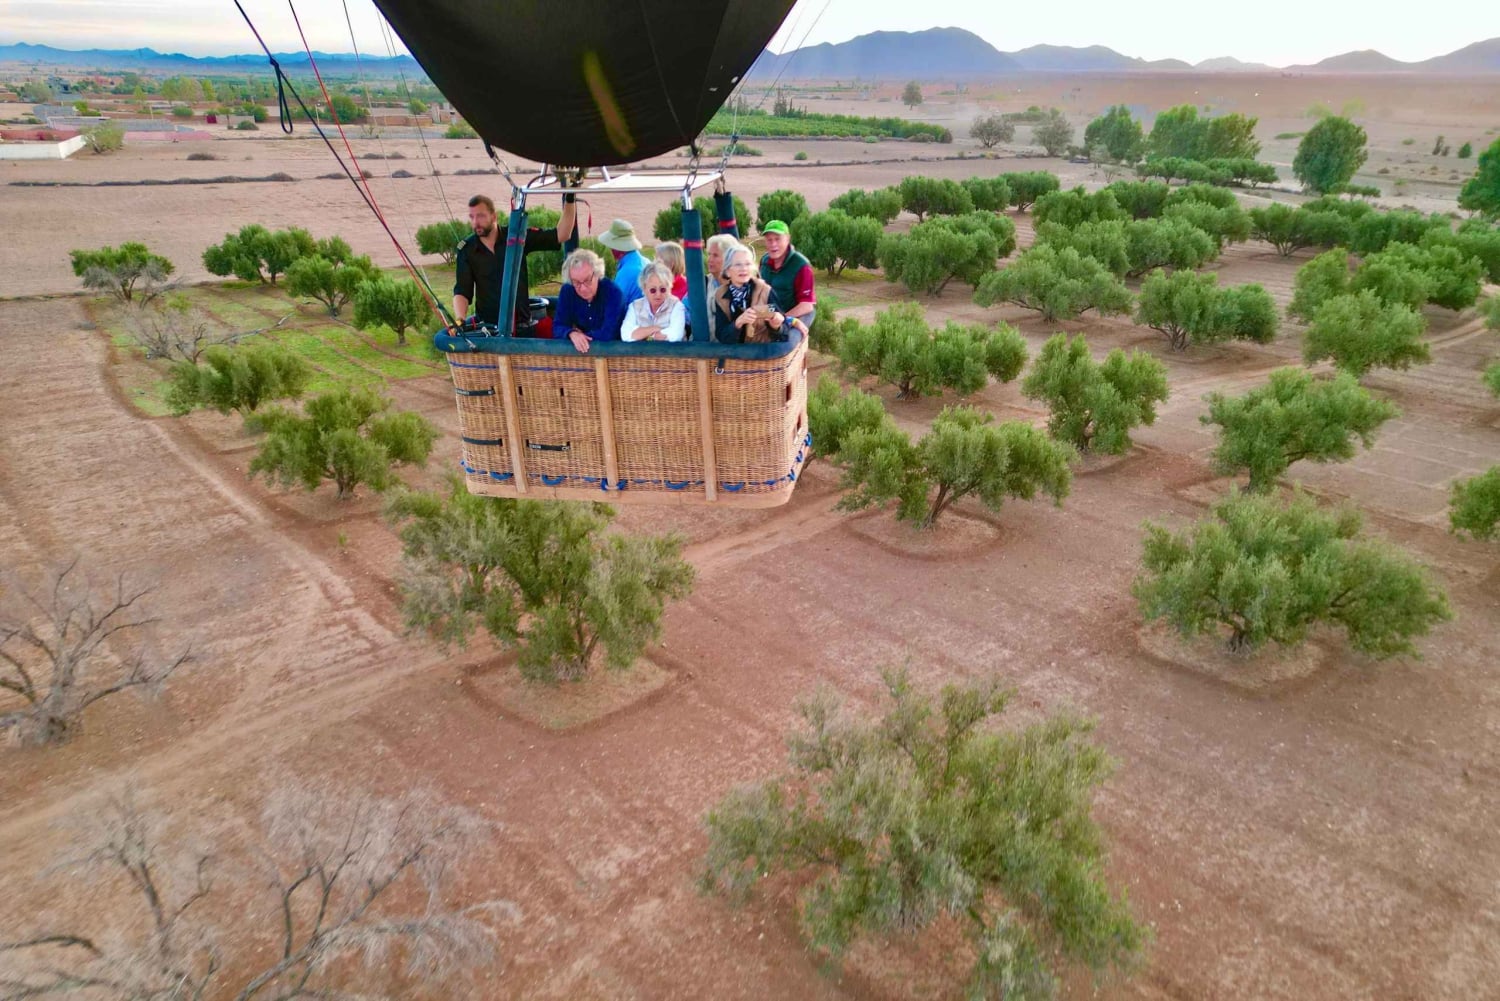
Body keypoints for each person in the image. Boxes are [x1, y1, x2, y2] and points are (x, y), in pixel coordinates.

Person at [453, 193, 575, 335]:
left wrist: (570, 200)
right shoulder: (467, 250)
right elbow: (462, 291)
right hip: (489, 331)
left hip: (523, 328)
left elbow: (562, 234)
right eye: (472, 217)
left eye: (480, 216)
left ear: (494, 216)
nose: (475, 222)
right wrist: (460, 321)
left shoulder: (516, 238)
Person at [712, 243, 789, 344]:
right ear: (727, 271)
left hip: (762, 355)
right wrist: (738, 323)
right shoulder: (721, 296)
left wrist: (777, 326)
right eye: (738, 264)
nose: (743, 268)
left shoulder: (765, 291)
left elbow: (784, 331)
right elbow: (721, 335)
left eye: (747, 264)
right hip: (734, 356)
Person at [554, 248, 625, 354]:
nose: (582, 288)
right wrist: (571, 333)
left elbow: (608, 333)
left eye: (587, 281)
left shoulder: (614, 293)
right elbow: (557, 326)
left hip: (614, 355)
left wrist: (581, 336)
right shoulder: (567, 290)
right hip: (580, 357)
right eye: (576, 283)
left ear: (597, 274)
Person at [758, 219, 816, 333]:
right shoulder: (764, 261)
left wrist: (782, 318)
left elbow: (807, 305)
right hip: (769, 313)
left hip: (789, 314)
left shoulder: (801, 266)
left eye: (777, 239)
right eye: (769, 240)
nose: (773, 244)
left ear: (788, 239)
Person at [620, 261, 686, 343]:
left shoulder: (677, 306)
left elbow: (675, 336)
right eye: (653, 290)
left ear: (669, 288)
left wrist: (641, 333)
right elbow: (625, 335)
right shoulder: (634, 306)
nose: (658, 294)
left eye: (663, 289)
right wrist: (655, 329)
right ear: (644, 288)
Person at [598, 219, 646, 308]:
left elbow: (613, 305)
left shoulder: (627, 272)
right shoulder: (645, 262)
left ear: (617, 248)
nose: (610, 249)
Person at [704, 233, 738, 299]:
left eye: (715, 255)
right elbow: (684, 307)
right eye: (709, 254)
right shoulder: (704, 282)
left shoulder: (743, 284)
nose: (709, 260)